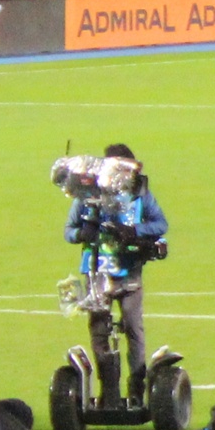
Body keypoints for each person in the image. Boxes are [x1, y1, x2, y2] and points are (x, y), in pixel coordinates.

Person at [65, 143, 167, 406]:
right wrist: (82, 234)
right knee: (99, 330)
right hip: (97, 272)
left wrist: (134, 232)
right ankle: (108, 388)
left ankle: (136, 387)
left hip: (129, 272)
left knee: (133, 328)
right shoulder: (87, 196)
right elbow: (69, 231)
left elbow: (160, 224)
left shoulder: (140, 195)